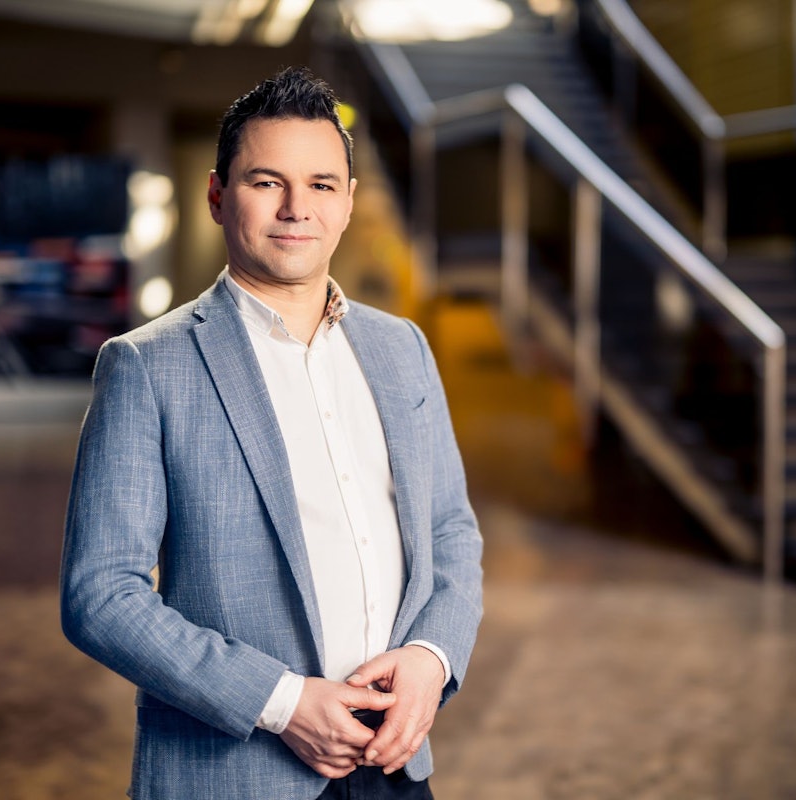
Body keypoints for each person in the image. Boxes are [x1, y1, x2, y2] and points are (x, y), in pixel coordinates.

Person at [60, 66, 484, 800]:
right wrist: (283, 703)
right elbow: (100, 595)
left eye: (321, 184)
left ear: (348, 204)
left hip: (393, 764)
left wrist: (430, 656)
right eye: (266, 181)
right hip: (236, 774)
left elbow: (450, 531)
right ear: (219, 196)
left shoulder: (401, 348)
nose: (297, 208)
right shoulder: (146, 367)